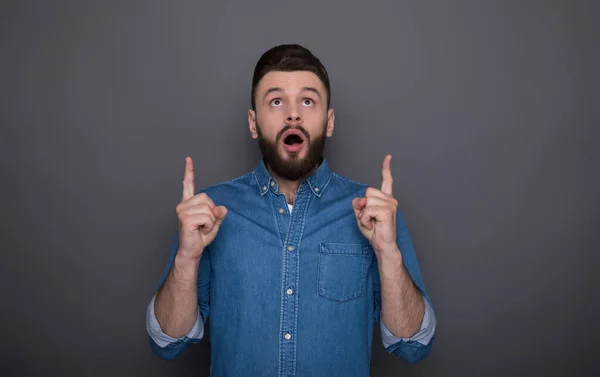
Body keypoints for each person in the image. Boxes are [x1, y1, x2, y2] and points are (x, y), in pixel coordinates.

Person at [145, 44, 437, 376]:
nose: (293, 114)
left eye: (308, 101)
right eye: (277, 101)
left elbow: (414, 345)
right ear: (253, 123)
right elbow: (167, 343)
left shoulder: (374, 213)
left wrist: (388, 252)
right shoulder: (209, 213)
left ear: (329, 122)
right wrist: (187, 258)